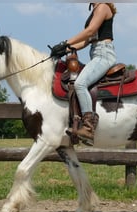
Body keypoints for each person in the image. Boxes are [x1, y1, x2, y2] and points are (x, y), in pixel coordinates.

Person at [50, 3, 117, 146]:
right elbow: (87, 40)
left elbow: (90, 31)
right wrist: (66, 49)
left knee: (80, 84)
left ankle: (88, 127)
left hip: (103, 54)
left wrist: (65, 43)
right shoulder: (95, 10)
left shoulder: (103, 6)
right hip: (96, 52)